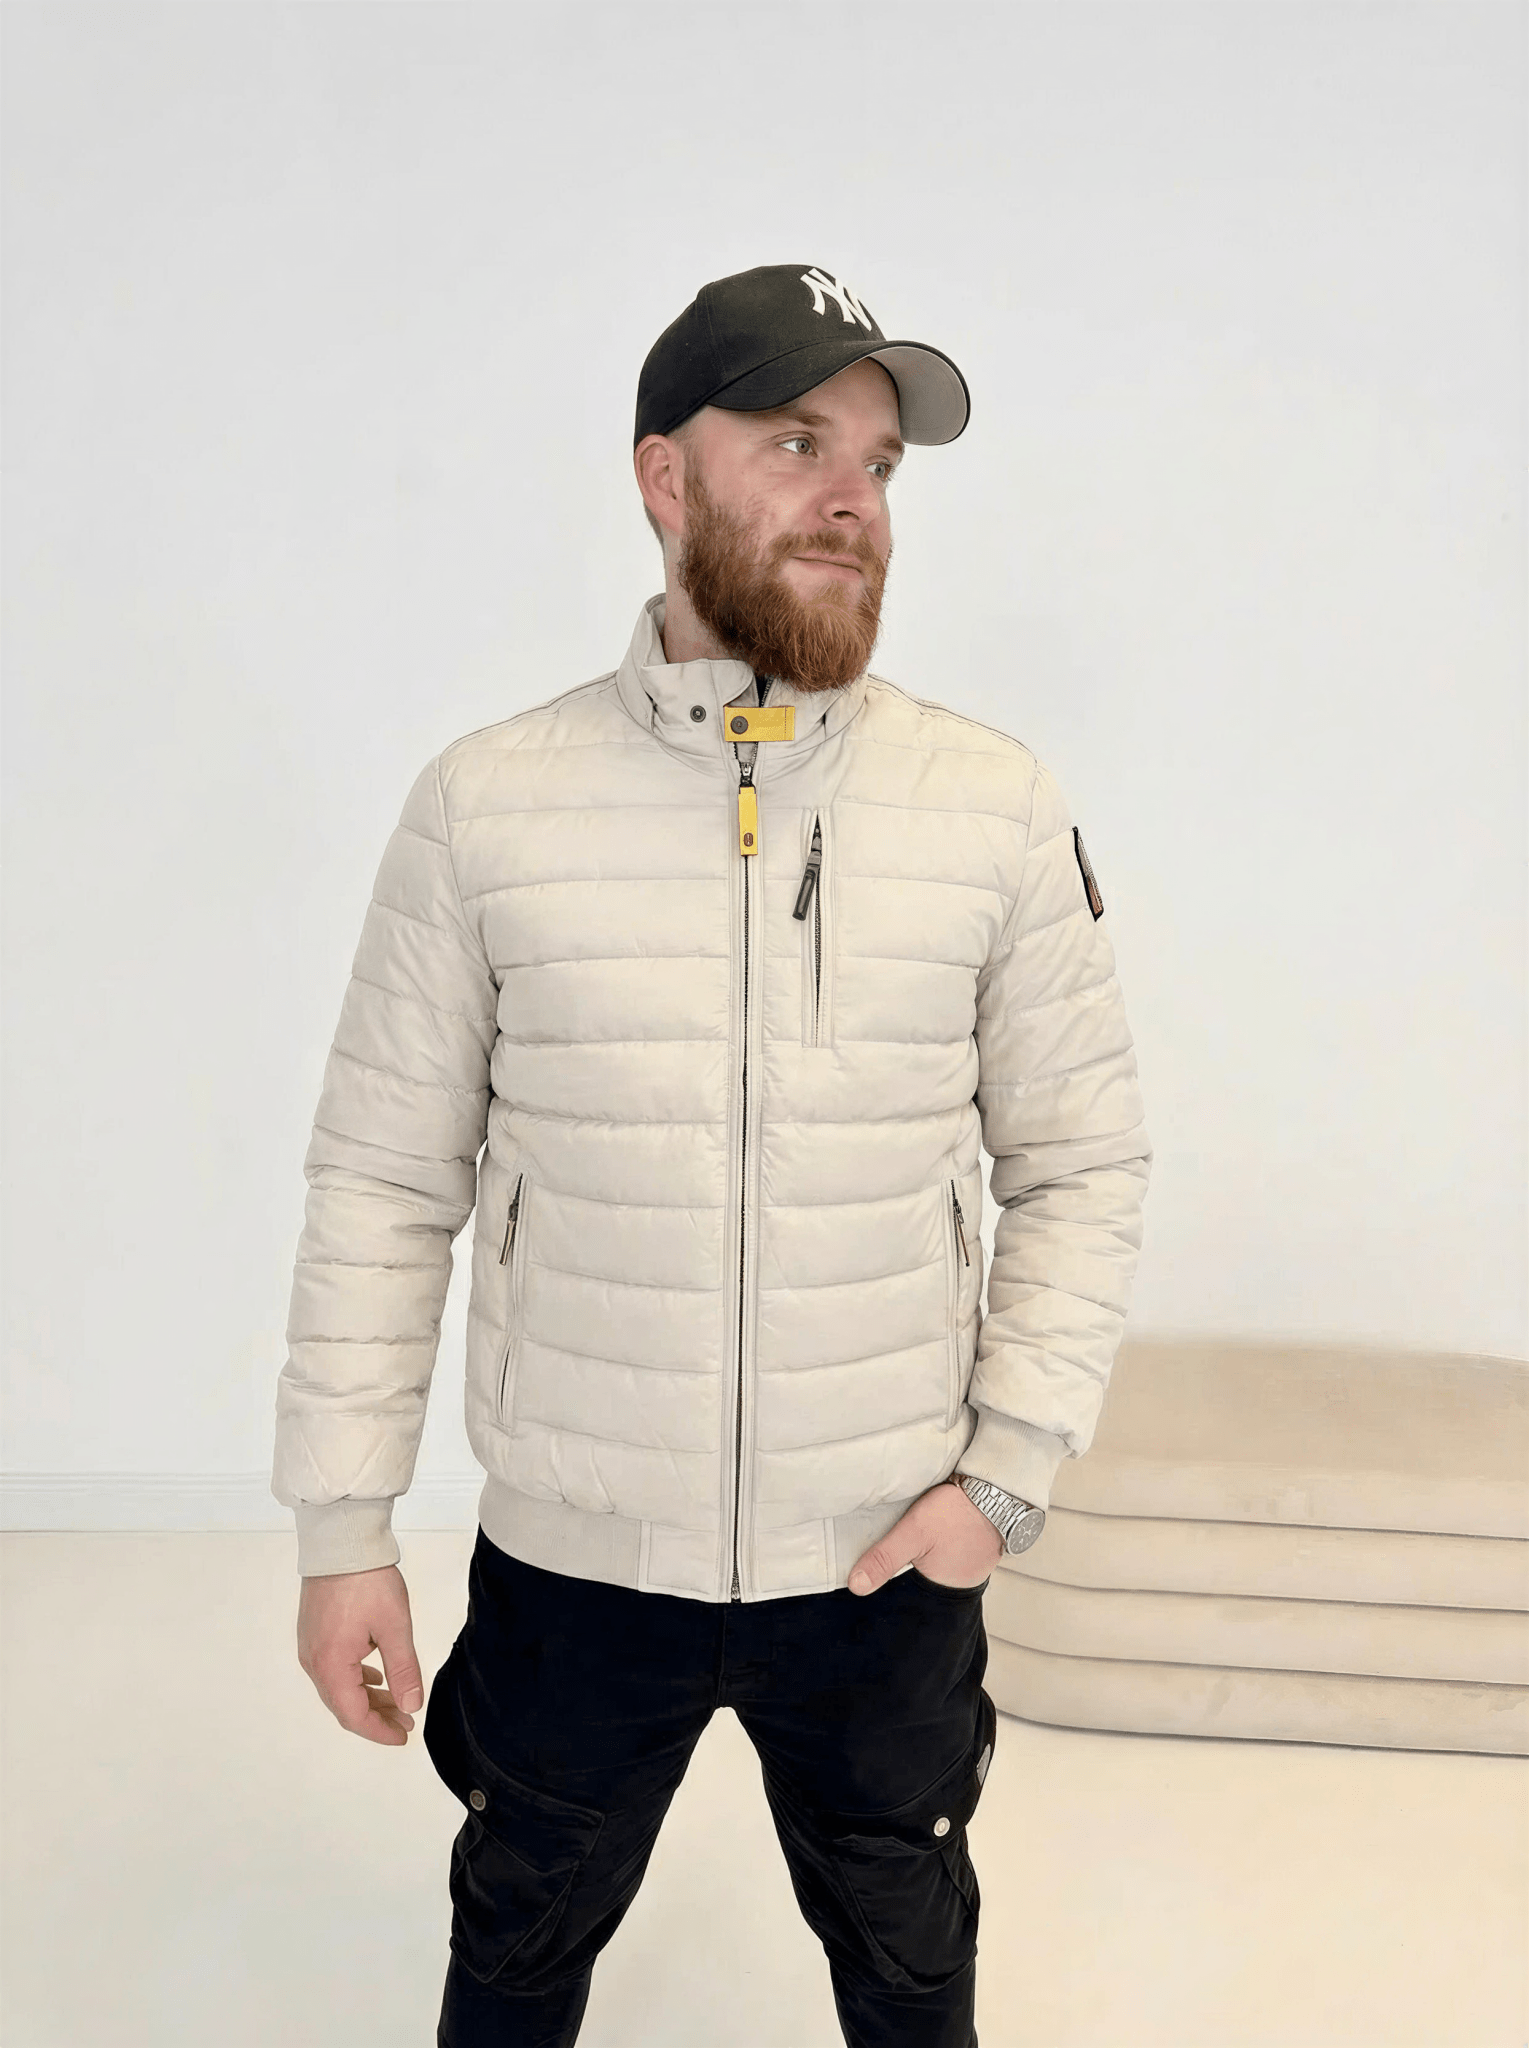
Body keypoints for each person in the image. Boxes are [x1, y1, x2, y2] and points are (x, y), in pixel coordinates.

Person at [274, 262, 1153, 2048]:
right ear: (664, 477)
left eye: (881, 464)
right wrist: (343, 1526)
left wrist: (1004, 1477)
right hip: (579, 1565)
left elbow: (1082, 1162)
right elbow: (384, 1179)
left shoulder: (991, 807)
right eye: (797, 443)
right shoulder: (487, 806)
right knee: (516, 1952)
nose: (855, 499)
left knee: (911, 1968)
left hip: (886, 1559)